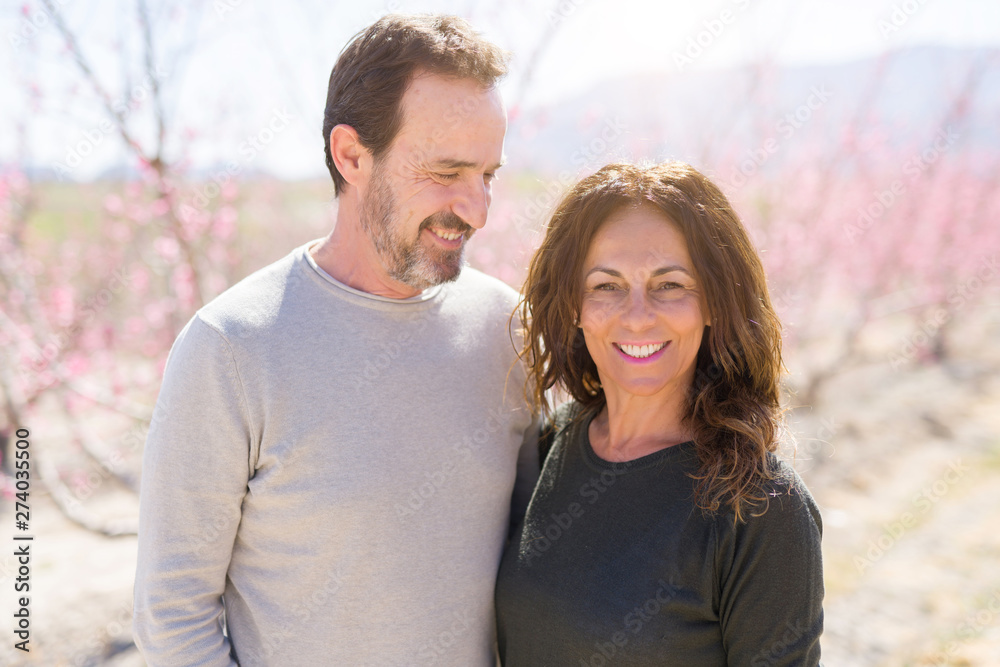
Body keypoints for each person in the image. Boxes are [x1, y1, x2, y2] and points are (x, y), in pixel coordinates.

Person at [134, 14, 539, 666]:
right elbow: (173, 616)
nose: (478, 209)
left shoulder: (510, 332)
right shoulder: (231, 348)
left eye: (488, 175)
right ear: (351, 154)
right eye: (447, 171)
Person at [495, 161, 824, 666]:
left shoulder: (759, 507)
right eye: (606, 285)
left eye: (670, 285)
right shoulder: (547, 445)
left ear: (714, 301)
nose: (638, 314)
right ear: (574, 307)